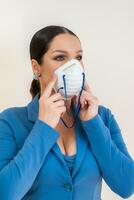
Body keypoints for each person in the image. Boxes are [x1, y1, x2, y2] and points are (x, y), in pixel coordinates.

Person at [0, 25, 133, 200]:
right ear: (36, 67)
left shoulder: (102, 117)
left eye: (78, 57)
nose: (73, 66)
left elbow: (127, 185)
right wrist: (43, 127)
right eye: (60, 57)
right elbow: (6, 194)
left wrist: (93, 123)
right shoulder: (10, 121)